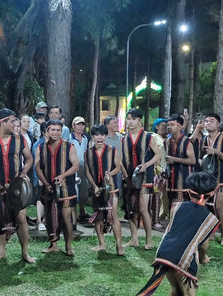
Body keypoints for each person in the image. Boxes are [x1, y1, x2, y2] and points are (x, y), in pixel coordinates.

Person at [124, 171, 219, 296]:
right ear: (212, 193)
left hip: (164, 253)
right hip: (183, 258)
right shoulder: (210, 218)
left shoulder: (176, 206)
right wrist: (204, 257)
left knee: (175, 287)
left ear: (189, 191)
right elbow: (203, 245)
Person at [0, 108, 36, 264]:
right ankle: (1, 251)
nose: (15, 124)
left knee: (21, 218)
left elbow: (29, 159)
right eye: (12, 121)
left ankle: (25, 252)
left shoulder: (20, 139)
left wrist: (23, 173)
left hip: (17, 187)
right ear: (2, 122)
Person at [120, 109, 164, 250]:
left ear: (139, 120)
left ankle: (149, 239)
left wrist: (146, 165)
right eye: (128, 119)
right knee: (131, 208)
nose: (130, 121)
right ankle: (134, 239)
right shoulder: (124, 138)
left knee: (144, 208)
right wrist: (123, 173)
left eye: (132, 119)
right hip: (130, 177)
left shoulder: (147, 137)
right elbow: (120, 159)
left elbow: (158, 155)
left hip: (145, 177)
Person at [35, 119, 79, 256]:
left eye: (58, 130)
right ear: (47, 131)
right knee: (50, 216)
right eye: (52, 130)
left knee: (66, 218)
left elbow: (75, 165)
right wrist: (45, 183)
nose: (55, 132)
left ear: (62, 131)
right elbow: (37, 167)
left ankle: (68, 246)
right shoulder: (40, 147)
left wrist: (63, 176)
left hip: (66, 188)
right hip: (48, 187)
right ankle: (53, 244)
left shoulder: (69, 146)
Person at [193, 112, 223, 246]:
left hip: (222, 176)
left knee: (219, 206)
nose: (208, 123)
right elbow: (195, 149)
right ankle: (210, 233)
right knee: (207, 206)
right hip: (208, 177)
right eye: (206, 121)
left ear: (218, 124)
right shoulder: (204, 139)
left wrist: (217, 152)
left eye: (211, 121)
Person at [84, 124, 123, 255]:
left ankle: (119, 245)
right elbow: (88, 171)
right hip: (96, 189)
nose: (99, 137)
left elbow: (118, 167)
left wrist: (110, 174)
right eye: (96, 135)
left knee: (113, 216)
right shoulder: (87, 152)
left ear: (106, 136)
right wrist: (94, 186)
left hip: (111, 188)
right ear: (93, 137)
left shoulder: (113, 150)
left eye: (102, 135)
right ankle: (102, 244)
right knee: (98, 216)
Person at [164, 113, 196, 205]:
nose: (169, 127)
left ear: (179, 127)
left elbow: (192, 160)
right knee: (172, 205)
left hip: (184, 179)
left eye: (172, 125)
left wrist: (174, 159)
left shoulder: (186, 141)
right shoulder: (167, 142)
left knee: (182, 206)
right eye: (168, 125)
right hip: (171, 180)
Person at [69, 116, 90, 223]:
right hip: (73, 167)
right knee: (73, 190)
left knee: (83, 189)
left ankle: (82, 211)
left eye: (82, 124)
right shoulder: (69, 138)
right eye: (78, 124)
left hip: (83, 168)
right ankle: (73, 214)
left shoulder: (86, 139)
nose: (80, 127)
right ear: (73, 126)